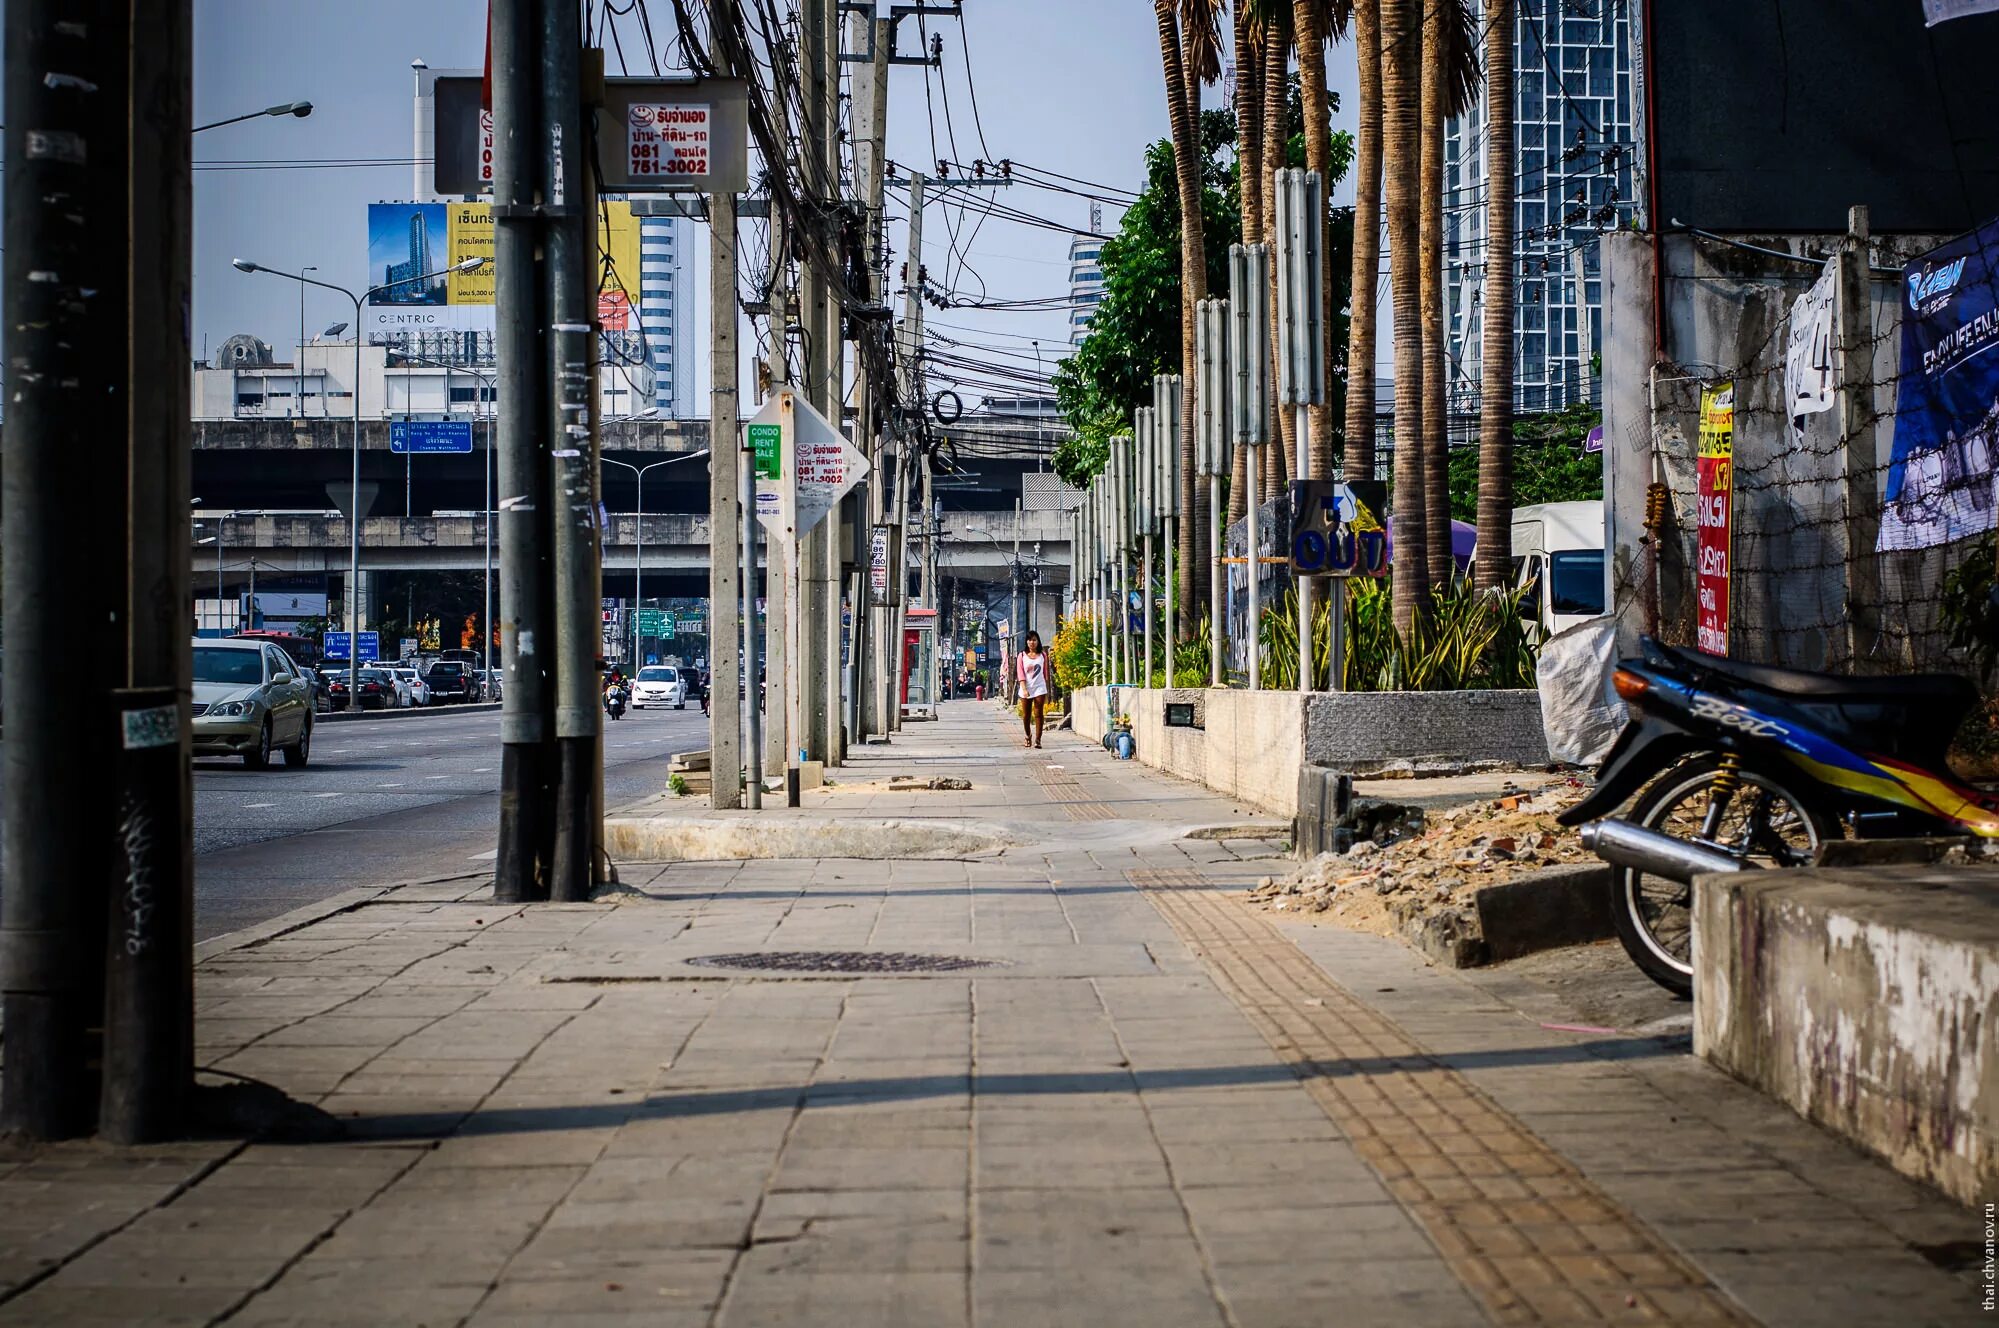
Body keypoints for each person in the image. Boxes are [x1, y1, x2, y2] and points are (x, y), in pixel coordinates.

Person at [1016, 630, 1050, 749]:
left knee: (1038, 713)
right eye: (1030, 640)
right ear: (1026, 642)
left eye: (1034, 640)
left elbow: (1045, 673)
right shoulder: (1021, 656)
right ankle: (1027, 735)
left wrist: (1046, 689)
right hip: (1026, 687)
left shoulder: (1043, 655)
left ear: (1038, 641)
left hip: (1039, 687)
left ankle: (1038, 739)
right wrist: (1024, 689)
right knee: (1026, 715)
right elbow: (1020, 673)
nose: (1032, 642)